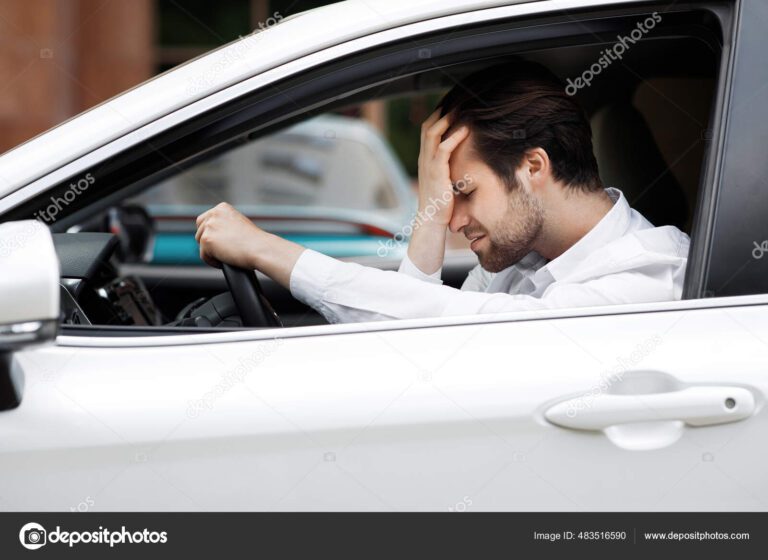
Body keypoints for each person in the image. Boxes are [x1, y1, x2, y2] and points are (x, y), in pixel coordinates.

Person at [195, 59, 689, 324]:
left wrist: (263, 248)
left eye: (465, 192)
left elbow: (441, 320)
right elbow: (417, 338)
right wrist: (431, 211)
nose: (455, 219)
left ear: (532, 166)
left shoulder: (648, 276)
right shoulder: (524, 258)